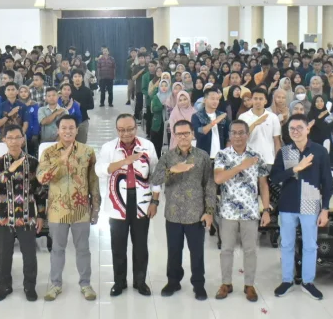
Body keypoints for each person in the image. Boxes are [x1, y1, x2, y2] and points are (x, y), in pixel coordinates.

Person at [37, 114, 101, 302]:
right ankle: (55, 284)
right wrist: (60, 161)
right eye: (64, 128)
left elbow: (93, 181)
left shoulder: (87, 152)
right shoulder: (49, 153)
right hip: (57, 210)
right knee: (57, 249)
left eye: (71, 128)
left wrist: (96, 207)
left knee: (83, 249)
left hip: (81, 209)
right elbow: (42, 178)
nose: (67, 131)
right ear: (58, 130)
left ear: (77, 130)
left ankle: (85, 284)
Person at [150, 119, 215, 300]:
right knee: (174, 251)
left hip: (196, 214)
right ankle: (173, 282)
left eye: (186, 133)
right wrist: (173, 170)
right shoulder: (167, 157)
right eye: (179, 134)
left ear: (192, 134)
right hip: (173, 213)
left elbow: (209, 185)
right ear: (174, 136)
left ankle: (198, 284)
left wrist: (209, 211)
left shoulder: (202, 156)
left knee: (197, 252)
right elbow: (155, 179)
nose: (183, 137)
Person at [95, 114, 159, 297]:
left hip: (142, 202)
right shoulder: (109, 148)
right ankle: (119, 282)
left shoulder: (147, 146)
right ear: (117, 130)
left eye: (130, 129)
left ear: (136, 128)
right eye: (121, 130)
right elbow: (100, 170)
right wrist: (124, 162)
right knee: (118, 246)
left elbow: (156, 175)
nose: (126, 133)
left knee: (140, 246)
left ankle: (140, 281)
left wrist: (155, 201)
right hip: (117, 204)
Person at [270, 114, 332, 300]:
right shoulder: (284, 152)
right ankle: (287, 280)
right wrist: (295, 169)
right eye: (292, 129)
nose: (295, 131)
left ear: (308, 129)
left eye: (299, 128)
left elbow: (327, 182)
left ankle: (308, 281)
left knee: (310, 245)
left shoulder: (319, 151)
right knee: (287, 244)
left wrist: (325, 208)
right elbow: (274, 178)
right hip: (288, 204)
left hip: (311, 204)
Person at [213, 120, 271, 301]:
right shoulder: (222, 155)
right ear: (229, 135)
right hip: (228, 212)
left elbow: (263, 185)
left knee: (250, 250)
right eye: (234, 132)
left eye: (241, 132)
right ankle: (226, 283)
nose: (237, 136)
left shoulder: (256, 156)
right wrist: (240, 166)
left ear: (247, 135)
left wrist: (266, 209)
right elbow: (218, 179)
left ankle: (249, 285)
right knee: (226, 249)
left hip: (250, 212)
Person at [0, 124, 46, 302]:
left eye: (17, 137)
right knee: (4, 255)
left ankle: (30, 287)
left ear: (23, 139)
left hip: (27, 217)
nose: (14, 141)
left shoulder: (33, 162)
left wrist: (41, 215)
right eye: (10, 138)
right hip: (3, 217)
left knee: (29, 255)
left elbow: (40, 191)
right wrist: (10, 170)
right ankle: (4, 286)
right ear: (4, 140)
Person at [239, 88, 282, 165]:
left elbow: (276, 140)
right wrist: (255, 124)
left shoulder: (273, 117)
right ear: (252, 100)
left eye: (261, 99)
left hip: (268, 160)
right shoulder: (243, 117)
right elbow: (240, 138)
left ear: (265, 101)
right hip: (249, 160)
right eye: (255, 98)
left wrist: (278, 160)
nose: (258, 101)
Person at [192, 87, 229, 155]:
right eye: (212, 99)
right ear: (205, 100)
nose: (215, 101)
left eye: (217, 99)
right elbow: (198, 132)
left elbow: (228, 137)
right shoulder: (197, 116)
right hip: (203, 155)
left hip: (221, 155)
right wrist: (214, 122)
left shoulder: (222, 116)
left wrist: (226, 153)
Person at [69, 69, 94, 143]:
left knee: (81, 144)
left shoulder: (87, 91)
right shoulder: (68, 90)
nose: (77, 78)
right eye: (75, 76)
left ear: (82, 78)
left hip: (83, 121)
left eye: (79, 76)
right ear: (72, 79)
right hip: (69, 120)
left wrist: (80, 105)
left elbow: (91, 106)